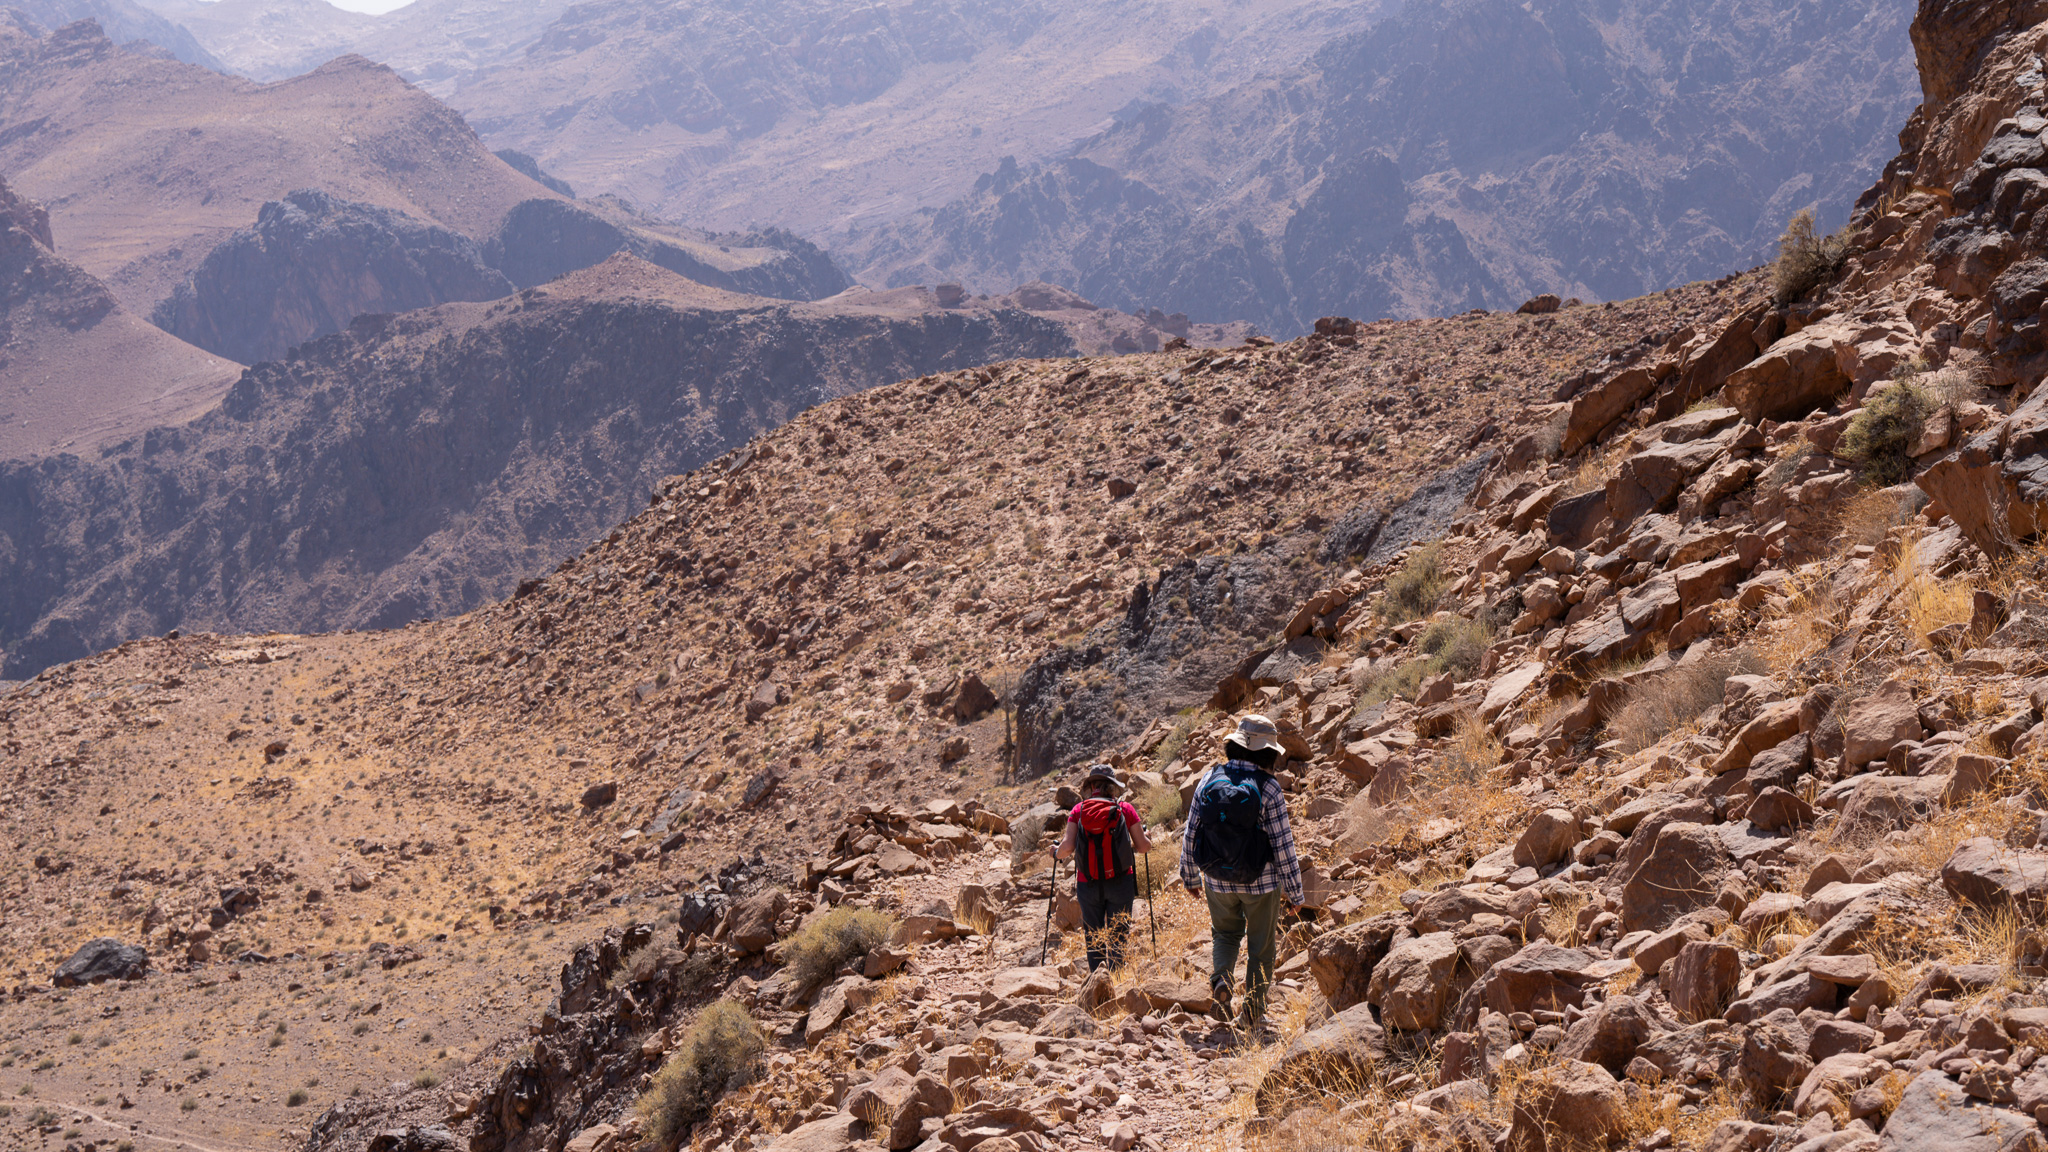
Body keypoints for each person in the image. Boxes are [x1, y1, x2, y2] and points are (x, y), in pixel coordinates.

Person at [1181, 714, 1303, 1031]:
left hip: (1216, 878)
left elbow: (1191, 831)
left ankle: (1221, 976)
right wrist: (1295, 891)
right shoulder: (1271, 789)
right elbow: (1282, 844)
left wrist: (1190, 876)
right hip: (1260, 882)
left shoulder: (1209, 778)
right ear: (1267, 752)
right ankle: (1251, 1014)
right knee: (1261, 948)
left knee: (1225, 934)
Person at [1052, 763, 1153, 972]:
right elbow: (1143, 847)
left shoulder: (1078, 810)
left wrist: (1054, 853)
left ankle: (1099, 986)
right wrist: (1148, 838)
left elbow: (1067, 848)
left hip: (1087, 884)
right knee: (1118, 937)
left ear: (1092, 787)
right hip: (1121, 882)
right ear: (1112, 787)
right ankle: (1117, 980)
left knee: (1094, 938)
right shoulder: (1124, 809)